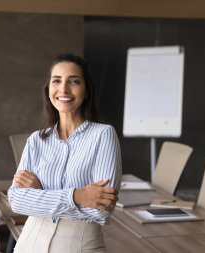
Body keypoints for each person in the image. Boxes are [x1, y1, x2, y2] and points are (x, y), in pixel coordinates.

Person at [8, 53, 122, 253]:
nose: (63, 89)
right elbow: (17, 201)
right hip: (29, 244)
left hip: (79, 246)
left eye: (74, 81)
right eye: (57, 81)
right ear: (49, 90)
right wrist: (77, 196)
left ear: (86, 91)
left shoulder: (103, 135)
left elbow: (100, 210)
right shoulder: (36, 139)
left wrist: (40, 194)